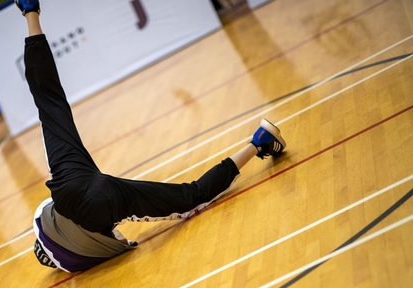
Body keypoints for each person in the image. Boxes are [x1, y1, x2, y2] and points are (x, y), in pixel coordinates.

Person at [14, 0, 287, 272]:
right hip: (67, 187)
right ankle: (30, 11)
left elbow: (115, 241)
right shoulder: (48, 222)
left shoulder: (74, 257)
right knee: (48, 100)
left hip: (104, 201)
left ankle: (258, 142)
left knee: (191, 196)